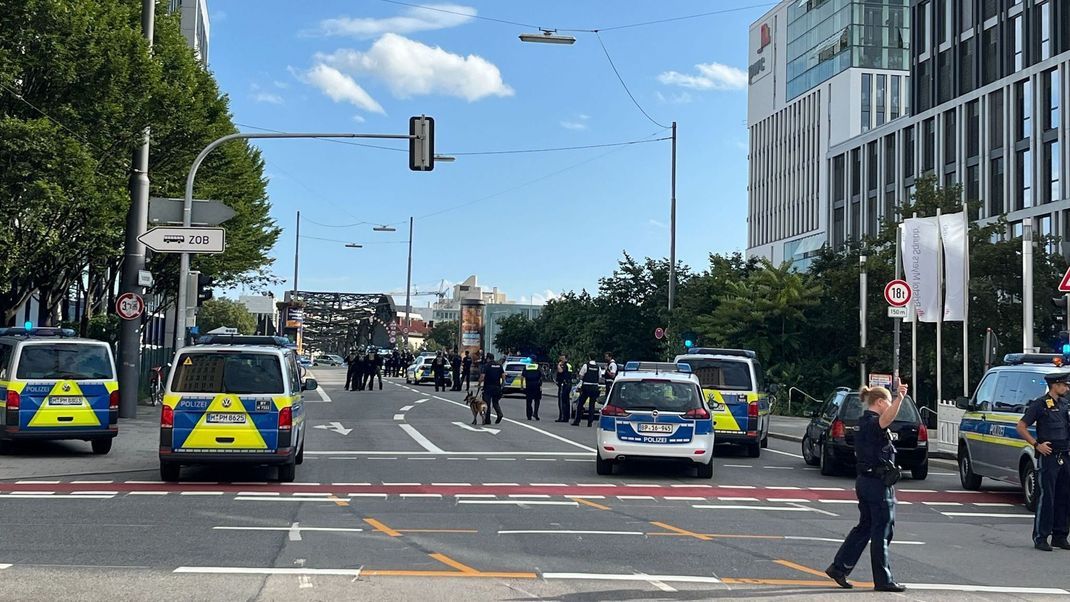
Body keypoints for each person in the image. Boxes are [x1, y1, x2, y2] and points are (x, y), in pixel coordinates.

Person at [826, 379, 910, 593]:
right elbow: (887, 419)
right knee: (882, 530)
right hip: (877, 484)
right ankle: (883, 580)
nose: (890, 407)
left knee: (864, 527)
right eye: (888, 402)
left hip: (865, 481)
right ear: (880, 402)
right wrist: (900, 398)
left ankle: (839, 567)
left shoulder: (862, 422)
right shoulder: (874, 423)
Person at [1017, 371, 1070, 551]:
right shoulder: (1040, 404)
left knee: (1064, 496)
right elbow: (1021, 426)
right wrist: (1036, 444)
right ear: (1055, 385)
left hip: (1065, 454)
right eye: (1064, 385)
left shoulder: (1065, 404)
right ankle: (1041, 537)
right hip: (1049, 456)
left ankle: (1060, 535)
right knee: (1047, 497)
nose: (1067, 388)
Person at [572, 355, 602, 427]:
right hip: (594, 387)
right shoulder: (598, 367)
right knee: (592, 405)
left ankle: (577, 421)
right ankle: (590, 423)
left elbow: (581, 375)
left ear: (589, 357)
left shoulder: (586, 365)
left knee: (580, 404)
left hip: (586, 386)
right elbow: (600, 377)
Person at [480, 353, 505, 424]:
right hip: (497, 387)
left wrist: (479, 384)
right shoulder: (499, 365)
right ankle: (499, 414)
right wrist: (502, 385)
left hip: (488, 387)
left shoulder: (487, 365)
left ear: (488, 358)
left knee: (487, 404)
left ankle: (488, 420)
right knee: (495, 402)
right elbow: (503, 376)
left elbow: (482, 376)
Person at [555, 355, 573, 422]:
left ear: (566, 359)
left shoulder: (564, 365)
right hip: (567, 384)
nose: (561, 359)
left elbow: (560, 371)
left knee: (562, 401)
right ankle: (566, 417)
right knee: (566, 401)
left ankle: (562, 417)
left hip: (564, 385)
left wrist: (559, 365)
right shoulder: (569, 365)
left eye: (562, 358)